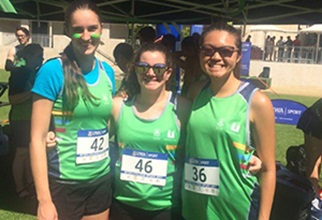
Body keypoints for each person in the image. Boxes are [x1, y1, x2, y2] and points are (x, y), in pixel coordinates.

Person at [181, 22, 276, 220]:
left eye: (226, 51)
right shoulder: (195, 92)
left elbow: (268, 169)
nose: (216, 57)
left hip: (236, 210)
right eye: (208, 50)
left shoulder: (257, 101)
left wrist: (264, 217)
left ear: (238, 56)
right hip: (193, 209)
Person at [30, 1, 115, 219]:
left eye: (92, 28)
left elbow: (103, 124)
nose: (86, 36)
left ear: (101, 28)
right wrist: (44, 200)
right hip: (64, 183)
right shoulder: (52, 71)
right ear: (67, 31)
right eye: (78, 30)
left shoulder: (108, 73)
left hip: (100, 180)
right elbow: (37, 139)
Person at [109, 42, 191, 220]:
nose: (151, 73)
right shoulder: (118, 106)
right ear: (135, 70)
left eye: (159, 69)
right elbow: (93, 136)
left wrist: (250, 155)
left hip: (165, 208)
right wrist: (53, 136)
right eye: (143, 67)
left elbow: (206, 142)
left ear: (168, 73)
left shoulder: (183, 108)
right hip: (123, 205)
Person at [9, 42, 44, 199]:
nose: (41, 60)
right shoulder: (19, 73)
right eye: (38, 56)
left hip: (32, 118)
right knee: (21, 153)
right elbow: (12, 99)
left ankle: (29, 181)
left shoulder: (36, 73)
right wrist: (32, 92)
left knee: (31, 152)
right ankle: (19, 187)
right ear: (28, 56)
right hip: (20, 118)